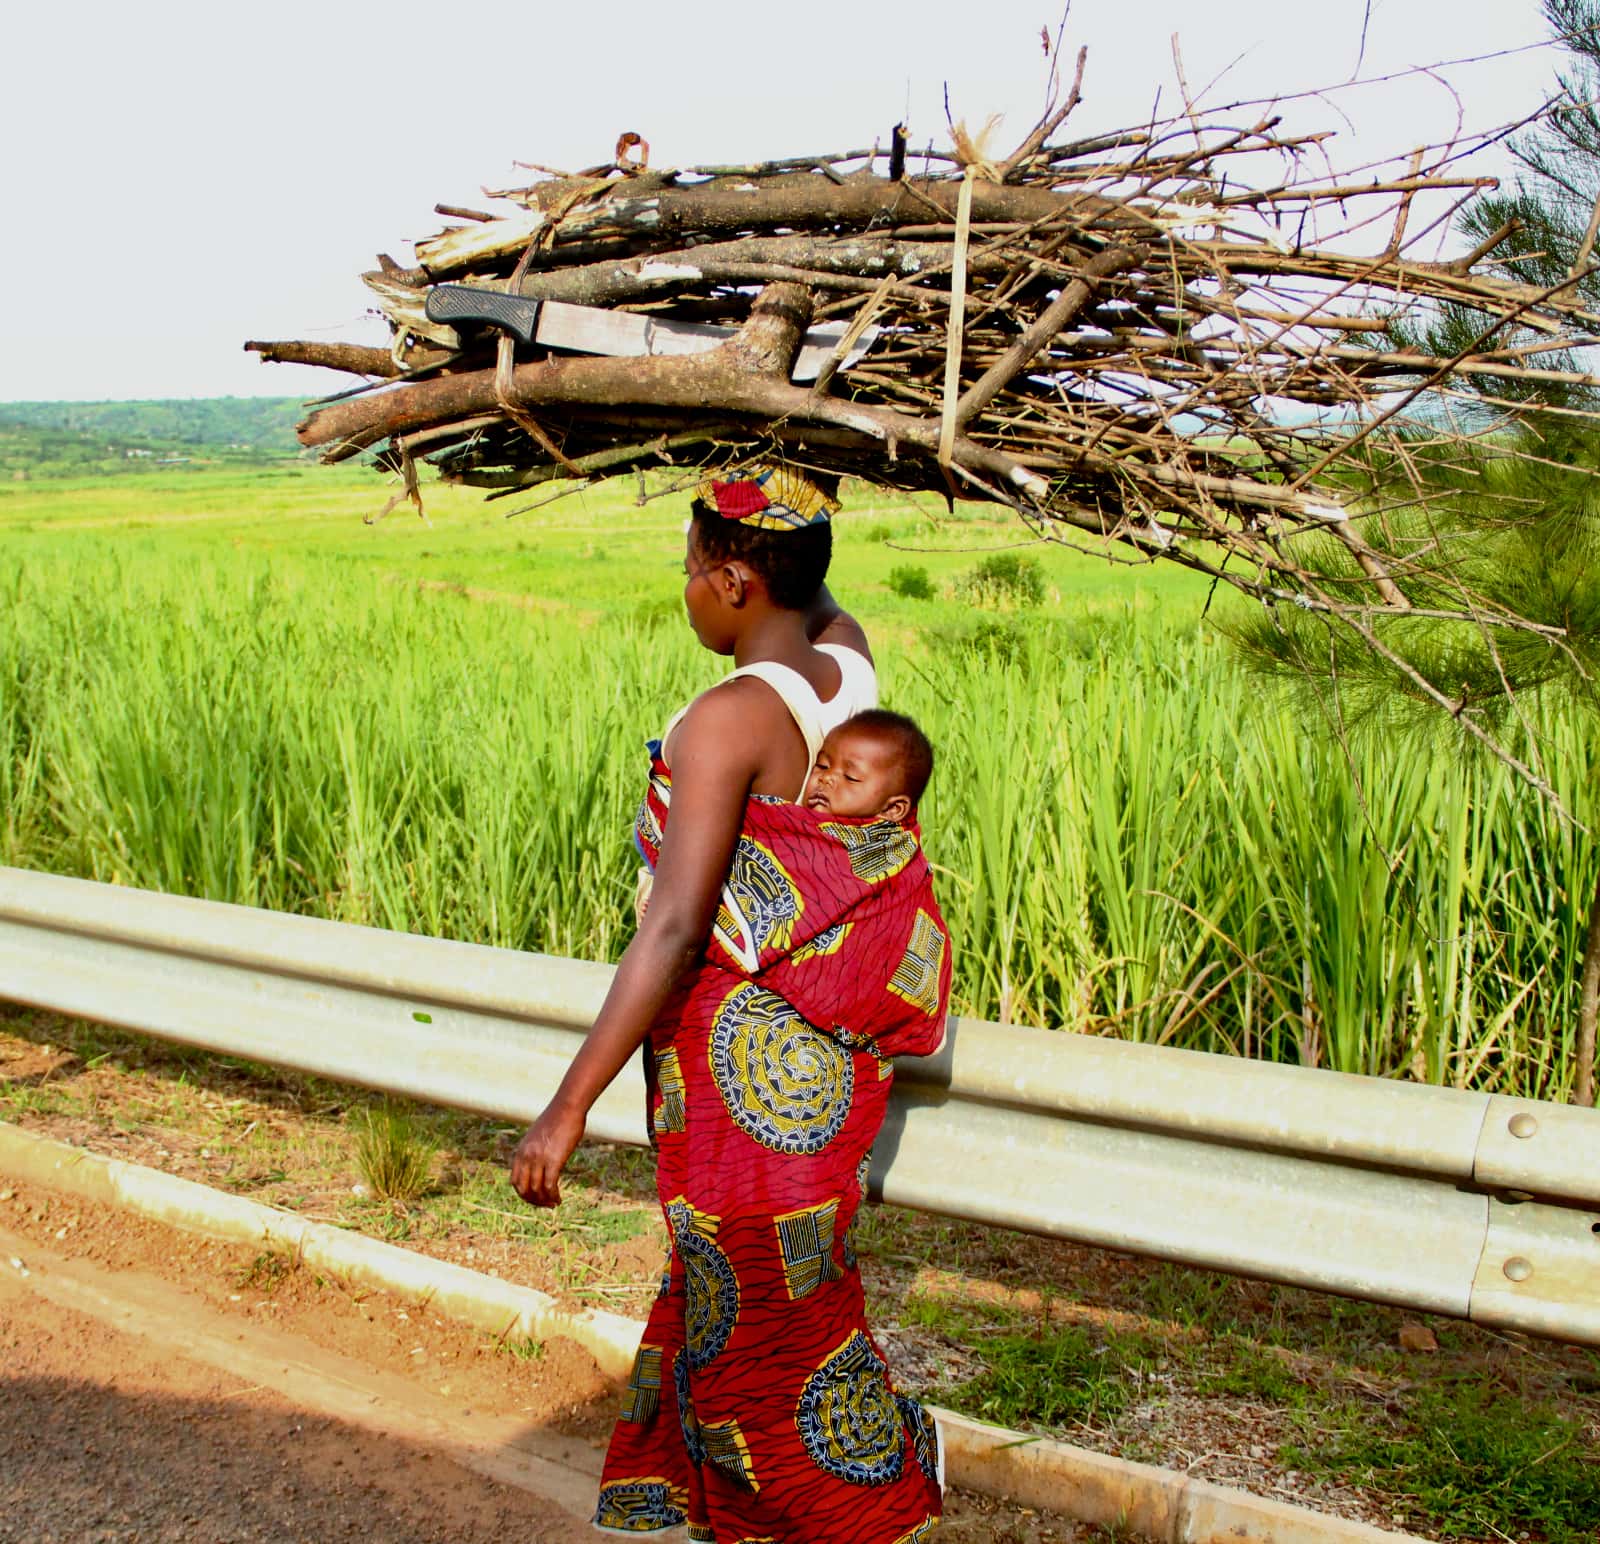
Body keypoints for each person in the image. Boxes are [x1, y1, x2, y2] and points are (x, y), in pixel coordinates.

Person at [510, 465, 951, 1543]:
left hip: (738, 1074)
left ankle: (868, 1508)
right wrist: (786, 471)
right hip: (820, 1071)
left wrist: (567, 1106)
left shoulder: (725, 721)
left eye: (694, 569)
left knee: (759, 1343)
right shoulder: (847, 658)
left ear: (737, 580)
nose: (688, 588)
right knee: (765, 1316)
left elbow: (671, 926)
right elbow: (819, 589)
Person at [801, 709, 934, 825]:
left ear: (892, 809)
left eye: (850, 777)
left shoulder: (883, 851)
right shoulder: (787, 818)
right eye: (822, 766)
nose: (826, 777)